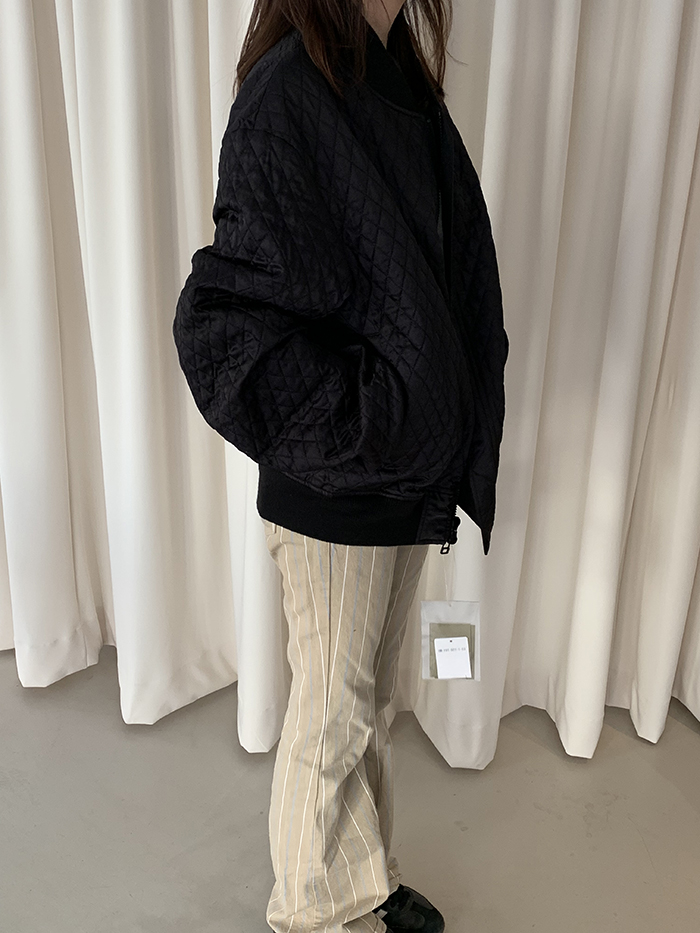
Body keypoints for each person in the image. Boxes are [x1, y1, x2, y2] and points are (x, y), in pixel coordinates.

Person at [172, 2, 509, 930]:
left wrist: (418, 421)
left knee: (367, 703)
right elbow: (227, 323)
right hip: (341, 482)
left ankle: (362, 873)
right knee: (332, 715)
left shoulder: (393, 77)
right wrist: (371, 415)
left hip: (403, 472)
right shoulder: (292, 92)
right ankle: (309, 910)